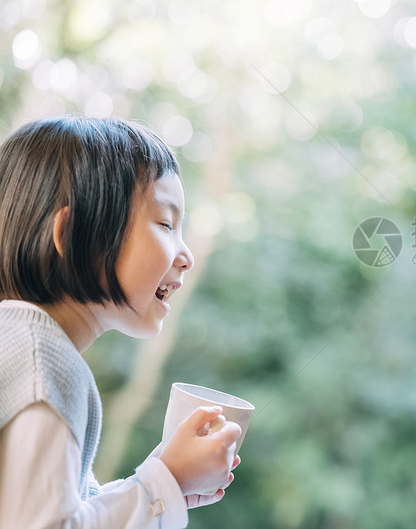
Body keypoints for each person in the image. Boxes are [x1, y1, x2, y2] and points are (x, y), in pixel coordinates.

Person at [0, 116, 242, 528]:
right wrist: (163, 483)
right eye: (166, 223)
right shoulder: (45, 362)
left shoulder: (18, 343)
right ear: (77, 234)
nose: (187, 255)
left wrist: (169, 482)